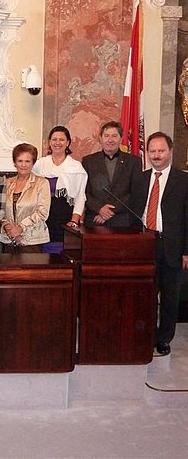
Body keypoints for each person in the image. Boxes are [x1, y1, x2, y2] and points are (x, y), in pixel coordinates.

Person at [131, 132, 188, 356]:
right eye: (152, 151)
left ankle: (164, 338)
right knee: (145, 294)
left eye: (161, 151)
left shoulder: (183, 180)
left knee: (169, 296)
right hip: (145, 244)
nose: (156, 155)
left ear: (170, 152)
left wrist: (187, 251)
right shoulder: (140, 178)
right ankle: (146, 335)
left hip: (172, 246)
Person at [32, 126, 87, 253]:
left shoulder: (76, 167)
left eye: (61, 140)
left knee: (62, 257)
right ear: (49, 142)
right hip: (42, 217)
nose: (57, 143)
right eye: (54, 139)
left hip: (65, 217)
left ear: (68, 142)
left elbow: (80, 197)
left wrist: (74, 220)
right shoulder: (40, 164)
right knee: (41, 257)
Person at [82, 121, 142, 227]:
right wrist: (99, 209)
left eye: (114, 136)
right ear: (100, 138)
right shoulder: (88, 161)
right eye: (106, 136)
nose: (110, 140)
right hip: (95, 220)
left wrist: (109, 211)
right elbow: (84, 192)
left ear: (121, 138)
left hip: (123, 222)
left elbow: (135, 192)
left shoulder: (134, 161)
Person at [0, 143, 50, 253]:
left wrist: (21, 228)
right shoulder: (6, 183)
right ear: (15, 163)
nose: (23, 165)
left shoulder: (41, 183)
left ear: (33, 163)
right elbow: (0, 210)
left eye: (27, 161)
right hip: (8, 240)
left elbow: (42, 213)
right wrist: (8, 227)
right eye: (20, 161)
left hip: (33, 241)